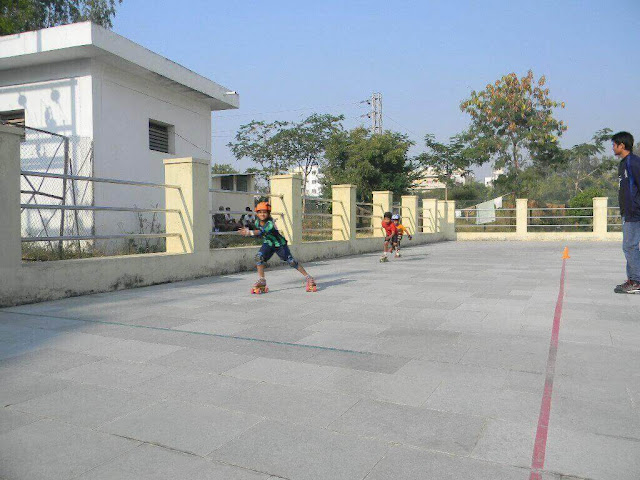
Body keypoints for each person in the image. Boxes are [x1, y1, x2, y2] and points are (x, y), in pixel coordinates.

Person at [239, 202, 317, 293]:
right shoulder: (257, 222)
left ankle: (308, 277)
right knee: (258, 257)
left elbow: (261, 232)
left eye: (264, 212)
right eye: (260, 212)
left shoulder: (270, 223)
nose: (262, 214)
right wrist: (247, 230)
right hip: (268, 243)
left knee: (291, 261)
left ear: (268, 213)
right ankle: (262, 280)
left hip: (279, 244)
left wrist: (249, 233)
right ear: (257, 213)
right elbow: (259, 233)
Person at [612, 131, 640, 294]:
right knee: (630, 247)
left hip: (634, 212)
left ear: (622, 145)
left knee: (630, 246)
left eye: (614, 145)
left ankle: (636, 281)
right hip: (628, 212)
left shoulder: (633, 162)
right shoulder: (623, 163)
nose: (613, 148)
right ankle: (633, 279)